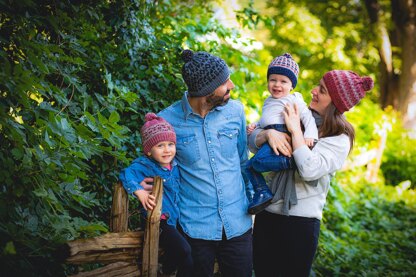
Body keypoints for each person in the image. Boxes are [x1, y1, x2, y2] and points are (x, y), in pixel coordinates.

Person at [249, 70, 374, 276]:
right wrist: (269, 134)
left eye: (322, 90)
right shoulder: (297, 111)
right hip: (267, 214)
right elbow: (252, 141)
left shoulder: (339, 138)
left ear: (335, 102)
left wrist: (295, 131)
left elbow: (309, 169)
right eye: (318, 85)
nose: (314, 91)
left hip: (299, 224)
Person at [148, 49, 253, 276]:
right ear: (207, 90)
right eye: (225, 82)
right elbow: (159, 172)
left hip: (238, 225)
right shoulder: (167, 121)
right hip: (194, 229)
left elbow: (243, 162)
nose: (231, 85)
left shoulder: (235, 112)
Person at [119, 113, 193, 276]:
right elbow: (126, 174)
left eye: (170, 144)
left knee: (190, 252)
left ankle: (168, 269)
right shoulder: (145, 165)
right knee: (184, 250)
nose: (167, 150)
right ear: (149, 151)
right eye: (160, 146)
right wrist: (139, 192)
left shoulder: (175, 165)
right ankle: (165, 271)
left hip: (176, 219)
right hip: (158, 221)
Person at [246, 53, 318, 215]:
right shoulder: (269, 100)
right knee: (249, 167)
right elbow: (266, 118)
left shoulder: (294, 100)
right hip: (271, 135)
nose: (277, 85)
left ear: (292, 85)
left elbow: (308, 118)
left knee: (255, 163)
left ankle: (291, 162)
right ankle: (262, 192)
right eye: (273, 80)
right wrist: (255, 125)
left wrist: (310, 136)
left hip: (283, 133)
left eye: (283, 81)